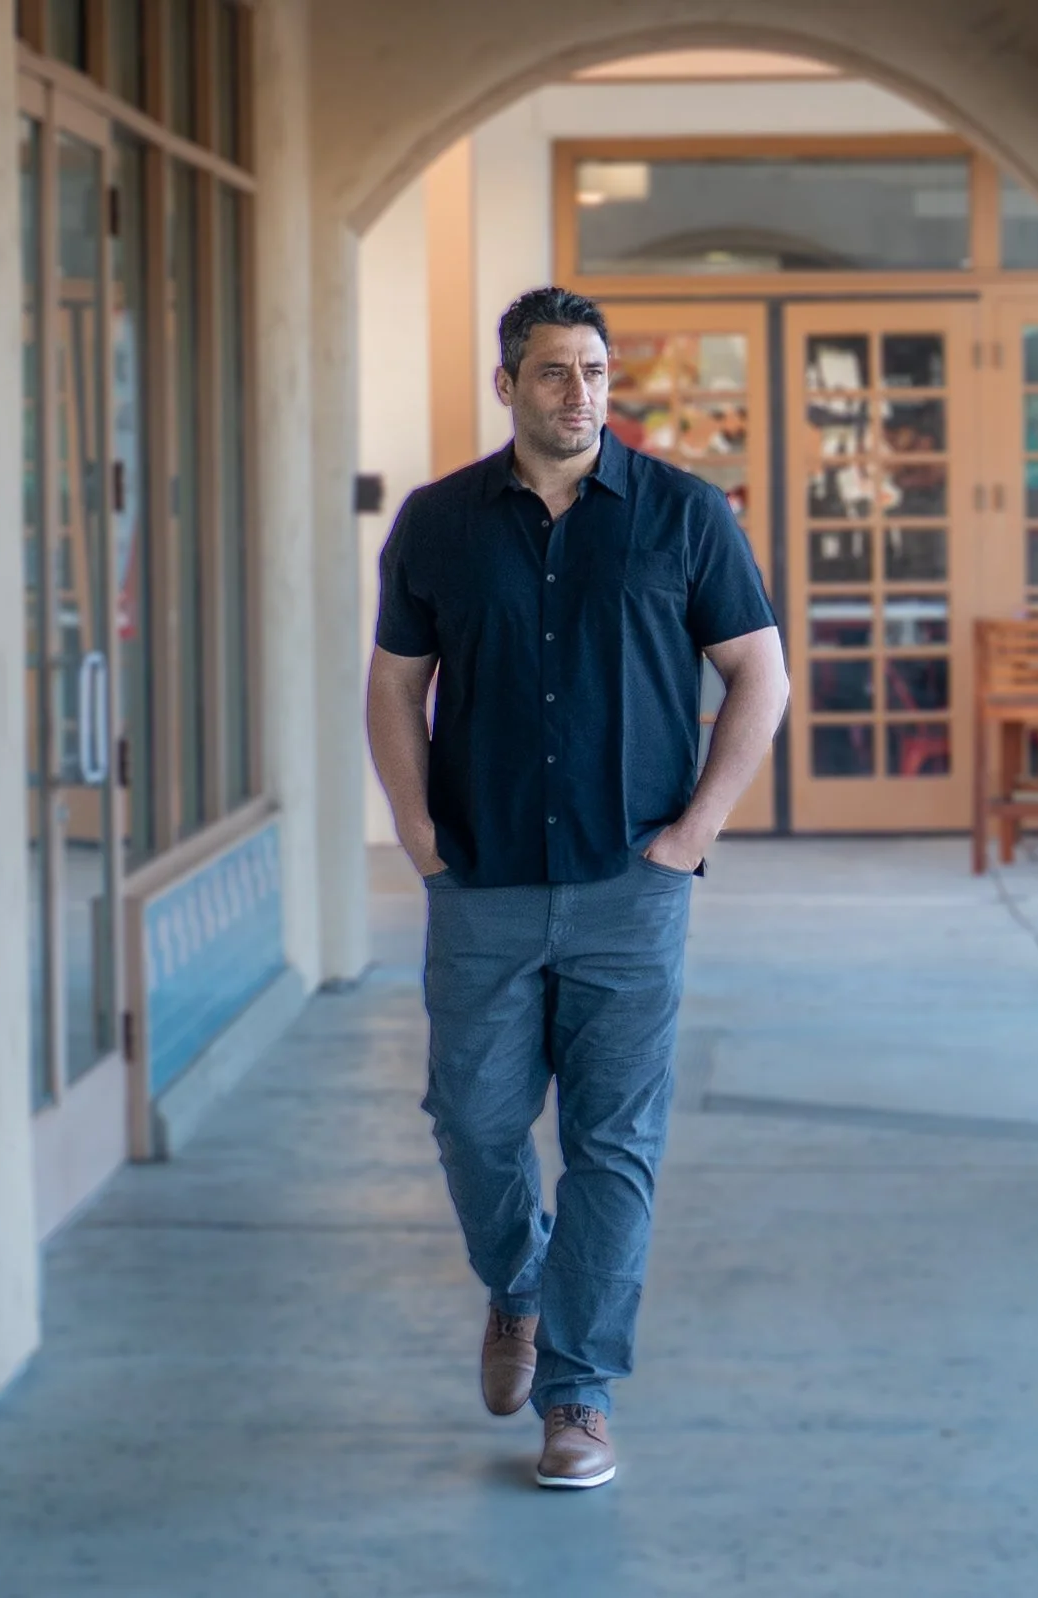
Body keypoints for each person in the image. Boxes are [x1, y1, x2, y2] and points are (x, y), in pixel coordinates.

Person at [366, 287, 788, 1490]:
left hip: (629, 882)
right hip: (483, 880)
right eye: (554, 372)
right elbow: (396, 684)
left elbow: (760, 678)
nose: (580, 394)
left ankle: (580, 1392)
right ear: (508, 384)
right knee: (473, 1116)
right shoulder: (440, 523)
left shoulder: (683, 515)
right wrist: (415, 827)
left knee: (614, 1142)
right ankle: (518, 1280)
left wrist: (692, 831)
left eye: (596, 372)